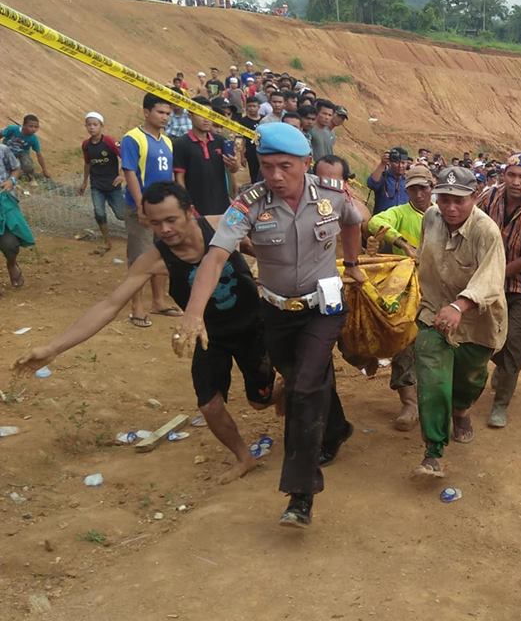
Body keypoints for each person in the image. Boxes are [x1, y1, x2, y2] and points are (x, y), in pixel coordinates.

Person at [14, 182, 276, 484]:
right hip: (206, 335)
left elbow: (271, 247)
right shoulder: (154, 260)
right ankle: (244, 457)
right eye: (155, 223)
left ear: (190, 212)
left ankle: (284, 393)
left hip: (253, 327)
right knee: (208, 404)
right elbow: (109, 306)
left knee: (261, 402)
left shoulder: (222, 226)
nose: (164, 229)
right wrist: (53, 348)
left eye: (170, 220)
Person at [174, 123, 365, 528]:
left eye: (285, 166)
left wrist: (352, 263)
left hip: (324, 308)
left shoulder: (331, 193)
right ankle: (337, 428)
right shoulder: (248, 204)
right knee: (304, 377)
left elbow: (355, 219)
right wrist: (193, 312)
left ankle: (300, 495)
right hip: (276, 314)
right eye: (267, 166)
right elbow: (216, 256)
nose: (275, 176)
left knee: (301, 389)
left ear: (306, 163)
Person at [413, 166, 507, 477]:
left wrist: (460, 305)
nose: (451, 208)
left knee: (470, 378)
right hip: (435, 311)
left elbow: (491, 279)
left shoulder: (486, 231)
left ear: (475, 197)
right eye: (445, 199)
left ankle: (461, 410)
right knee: (432, 377)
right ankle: (433, 451)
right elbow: (423, 256)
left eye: (459, 201)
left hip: (477, 320)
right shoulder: (430, 217)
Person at [479, 153, 521, 428]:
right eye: (512, 175)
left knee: (514, 342)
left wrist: (492, 274)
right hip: (493, 280)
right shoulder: (489, 198)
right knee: (486, 335)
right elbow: (474, 224)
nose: (516, 182)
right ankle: (501, 367)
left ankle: (501, 403)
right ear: (504, 175)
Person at [365, 164, 434, 430]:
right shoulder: (400, 213)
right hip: (408, 290)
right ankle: (409, 403)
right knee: (404, 341)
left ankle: (437, 400)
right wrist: (403, 243)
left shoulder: (443, 212)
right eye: (413, 189)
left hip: (439, 289)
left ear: (432, 187)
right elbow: (375, 222)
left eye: (423, 188)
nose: (419, 194)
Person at [121, 93, 182, 328]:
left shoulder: (167, 141)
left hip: (163, 209)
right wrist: (140, 205)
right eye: (160, 112)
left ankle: (159, 301)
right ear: (146, 112)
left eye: (168, 113)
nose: (165, 117)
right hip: (142, 208)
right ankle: (136, 306)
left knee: (162, 253)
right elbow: (129, 172)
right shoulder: (133, 138)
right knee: (139, 256)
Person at [173, 96, 239, 215]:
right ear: (190, 116)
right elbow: (179, 178)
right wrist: (187, 204)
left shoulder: (221, 141)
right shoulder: (180, 144)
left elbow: (233, 170)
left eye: (209, 115)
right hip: (196, 208)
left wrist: (234, 165)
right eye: (201, 114)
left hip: (222, 206)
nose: (206, 119)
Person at [79, 112, 125, 255]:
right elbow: (87, 163)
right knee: (99, 212)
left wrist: (122, 174)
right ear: (86, 126)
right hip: (96, 185)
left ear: (101, 126)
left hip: (113, 185)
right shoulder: (86, 145)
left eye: (95, 124)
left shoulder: (109, 142)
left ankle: (139, 228)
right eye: (89, 125)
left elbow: (125, 156)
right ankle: (106, 240)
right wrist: (84, 182)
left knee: (121, 214)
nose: (92, 127)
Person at [0, 142, 33, 291]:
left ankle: (11, 263)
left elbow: (16, 168)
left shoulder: (3, 150)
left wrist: (11, 181)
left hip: (3, 204)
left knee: (10, 245)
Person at [3, 115, 50, 180]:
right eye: (31, 126)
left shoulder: (34, 139)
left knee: (28, 167)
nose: (33, 129)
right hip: (6, 150)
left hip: (21, 153)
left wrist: (44, 170)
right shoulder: (12, 129)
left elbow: (39, 154)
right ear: (24, 125)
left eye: (36, 127)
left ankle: (19, 173)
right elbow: (1, 134)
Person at [367, 147, 409, 214]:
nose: (400, 166)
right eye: (396, 162)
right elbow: (372, 184)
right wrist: (382, 164)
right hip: (382, 218)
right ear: (390, 162)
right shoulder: (383, 176)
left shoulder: (408, 181)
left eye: (403, 163)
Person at [237, 98, 262, 182]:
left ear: (258, 107)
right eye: (249, 106)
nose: (252, 108)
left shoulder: (264, 119)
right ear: (246, 107)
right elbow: (242, 139)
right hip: (251, 152)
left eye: (254, 106)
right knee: (254, 175)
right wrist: (242, 156)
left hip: (264, 151)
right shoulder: (243, 121)